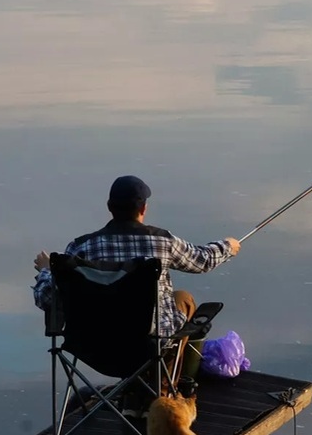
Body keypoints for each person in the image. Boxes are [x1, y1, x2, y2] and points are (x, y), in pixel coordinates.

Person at [32, 175, 241, 409]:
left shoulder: (81, 248)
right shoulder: (162, 242)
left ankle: (137, 390)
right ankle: (158, 393)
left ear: (110, 208)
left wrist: (46, 271)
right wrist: (228, 246)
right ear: (143, 208)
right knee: (183, 299)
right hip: (146, 348)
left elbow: (46, 297)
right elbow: (202, 260)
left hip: (93, 346)